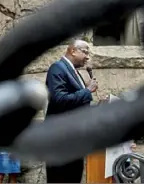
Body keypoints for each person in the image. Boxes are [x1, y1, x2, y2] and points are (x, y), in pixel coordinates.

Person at [45, 39, 98, 183]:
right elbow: (60, 99)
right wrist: (87, 91)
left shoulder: (73, 71)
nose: (87, 56)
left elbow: (76, 101)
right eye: (85, 52)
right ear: (73, 51)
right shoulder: (57, 68)